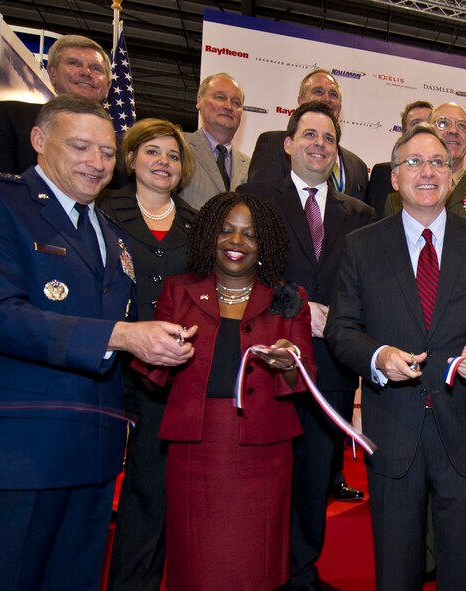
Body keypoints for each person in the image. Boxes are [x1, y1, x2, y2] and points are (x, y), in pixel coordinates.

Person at [0, 94, 191, 591]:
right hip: (18, 455)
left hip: (93, 459)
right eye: (79, 147)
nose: (96, 163)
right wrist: (123, 336)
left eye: (107, 152)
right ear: (38, 140)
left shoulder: (110, 232)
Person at [326, 123, 466, 590]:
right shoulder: (361, 246)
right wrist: (378, 356)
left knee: (462, 570)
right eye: (414, 162)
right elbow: (341, 328)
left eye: (438, 161)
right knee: (395, 568)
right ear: (394, 178)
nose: (427, 171)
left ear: (452, 176)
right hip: (393, 429)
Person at [134, 192, 317, 591]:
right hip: (195, 450)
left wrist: (291, 364)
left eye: (250, 235)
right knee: (196, 562)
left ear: (264, 245)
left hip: (263, 453)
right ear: (207, 237)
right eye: (227, 231)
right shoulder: (177, 291)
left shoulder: (288, 298)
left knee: (256, 564)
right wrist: (162, 353)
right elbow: (150, 373)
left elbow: (306, 376)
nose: (237, 242)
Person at [238, 100, 375, 591]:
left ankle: (301, 571)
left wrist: (343, 319)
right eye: (310, 135)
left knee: (317, 475)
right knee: (264, 475)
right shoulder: (255, 198)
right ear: (289, 143)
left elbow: (368, 286)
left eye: (329, 139)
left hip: (332, 368)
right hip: (269, 360)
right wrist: (297, 304)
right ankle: (259, 569)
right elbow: (238, 269)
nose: (320, 144)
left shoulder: (361, 215)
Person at [100, 118, 197, 591]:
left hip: (163, 377)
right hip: (103, 366)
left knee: (148, 489)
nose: (164, 162)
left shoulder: (196, 225)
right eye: (153, 151)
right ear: (132, 157)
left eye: (174, 155)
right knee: (95, 482)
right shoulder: (102, 209)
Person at [384, 102, 466, 280]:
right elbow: (388, 271)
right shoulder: (397, 200)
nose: (453, 130)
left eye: (461, 125)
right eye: (443, 123)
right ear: (429, 134)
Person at [0, 34, 110, 175]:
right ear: (52, 72)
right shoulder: (10, 117)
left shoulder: (119, 143)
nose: (86, 72)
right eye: (74, 63)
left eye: (96, 68)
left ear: (108, 84)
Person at [247, 68, 369, 201]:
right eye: (318, 91)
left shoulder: (359, 167)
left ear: (340, 106)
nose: (327, 98)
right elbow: (258, 202)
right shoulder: (273, 144)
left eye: (333, 94)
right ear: (301, 101)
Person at [181, 73, 251, 210]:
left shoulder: (250, 166)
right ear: (199, 100)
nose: (228, 106)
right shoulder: (179, 146)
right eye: (220, 97)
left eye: (236, 102)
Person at [366, 100, 433, 214]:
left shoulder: (442, 173)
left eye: (429, 123)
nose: (423, 128)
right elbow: (377, 224)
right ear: (403, 132)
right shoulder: (383, 173)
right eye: (416, 123)